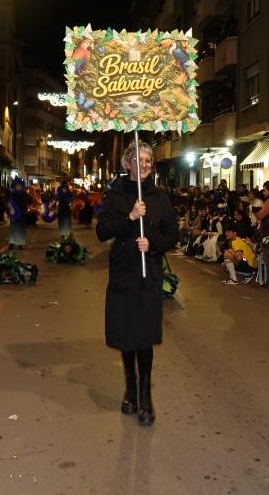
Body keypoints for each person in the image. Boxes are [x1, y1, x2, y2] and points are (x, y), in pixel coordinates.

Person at [96, 142, 177, 427]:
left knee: (144, 337)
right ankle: (129, 389)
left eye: (148, 160)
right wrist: (129, 218)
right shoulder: (115, 195)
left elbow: (172, 234)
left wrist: (152, 245)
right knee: (125, 335)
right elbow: (102, 231)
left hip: (148, 277)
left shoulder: (161, 198)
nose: (144, 164)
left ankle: (145, 397)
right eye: (138, 160)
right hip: (122, 274)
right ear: (127, 163)